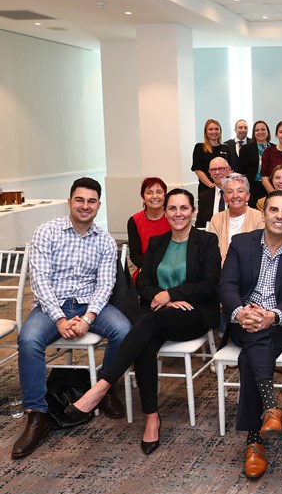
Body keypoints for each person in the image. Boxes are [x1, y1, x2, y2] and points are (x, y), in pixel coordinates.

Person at [65, 189, 221, 454]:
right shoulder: (158, 242)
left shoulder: (206, 241)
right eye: (173, 208)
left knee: (145, 325)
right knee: (146, 344)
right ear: (167, 212)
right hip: (160, 311)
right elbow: (143, 283)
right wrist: (163, 299)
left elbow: (209, 283)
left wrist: (171, 293)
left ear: (193, 211)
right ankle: (152, 417)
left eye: (184, 208)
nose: (178, 214)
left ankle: (102, 386)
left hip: (195, 312)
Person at [13, 178, 130, 459]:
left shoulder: (104, 241)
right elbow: (39, 280)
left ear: (99, 205)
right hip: (51, 306)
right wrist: (59, 319)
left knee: (125, 330)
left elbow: (105, 285)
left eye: (91, 201)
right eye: (80, 200)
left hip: (90, 305)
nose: (85, 206)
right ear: (69, 201)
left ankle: (105, 386)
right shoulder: (46, 232)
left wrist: (88, 318)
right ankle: (37, 415)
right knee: (28, 340)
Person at [218, 190, 282, 480]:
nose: (279, 216)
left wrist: (271, 316)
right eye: (274, 210)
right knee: (255, 336)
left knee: (250, 355)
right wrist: (240, 312)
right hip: (243, 319)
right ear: (264, 214)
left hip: (281, 324)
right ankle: (269, 408)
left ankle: (254, 440)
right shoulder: (241, 243)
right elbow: (227, 285)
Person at [208, 174, 264, 264]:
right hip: (221, 271)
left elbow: (258, 252)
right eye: (230, 192)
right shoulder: (216, 219)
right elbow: (212, 251)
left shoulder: (259, 218)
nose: (235, 196)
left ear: (247, 196)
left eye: (240, 191)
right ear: (224, 198)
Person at [127, 177, 170, 280]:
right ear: (143, 197)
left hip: (172, 268)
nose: (155, 196)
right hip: (146, 268)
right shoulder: (134, 220)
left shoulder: (173, 217)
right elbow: (135, 254)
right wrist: (148, 268)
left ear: (165, 195)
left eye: (159, 192)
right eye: (149, 193)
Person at [191, 119, 232, 193]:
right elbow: (198, 170)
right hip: (206, 188)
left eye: (216, 129)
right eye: (210, 129)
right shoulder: (199, 147)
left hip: (224, 188)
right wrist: (211, 185)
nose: (214, 132)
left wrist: (225, 184)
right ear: (206, 132)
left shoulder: (226, 147)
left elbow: (230, 169)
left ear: (220, 131)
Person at [238, 120, 272, 208]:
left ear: (267, 132)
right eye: (257, 130)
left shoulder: (274, 148)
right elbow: (241, 171)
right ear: (253, 133)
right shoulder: (246, 148)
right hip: (253, 188)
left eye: (263, 129)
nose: (260, 132)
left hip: (271, 186)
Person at [196, 157, 232, 229]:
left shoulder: (238, 195)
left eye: (221, 169)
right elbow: (200, 225)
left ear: (229, 170)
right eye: (213, 170)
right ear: (209, 173)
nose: (217, 172)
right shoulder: (204, 197)